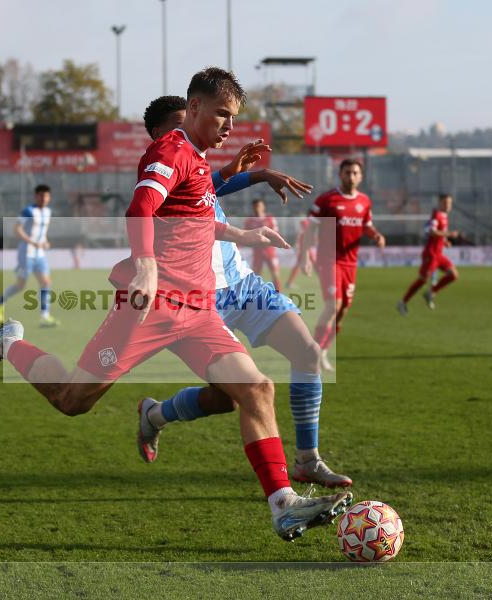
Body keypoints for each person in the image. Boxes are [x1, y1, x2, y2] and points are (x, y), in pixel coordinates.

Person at [0, 68, 351, 541]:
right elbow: (142, 207)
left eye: (233, 118)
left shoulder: (197, 158)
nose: (229, 127)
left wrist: (241, 233)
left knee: (257, 389)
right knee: (71, 401)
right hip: (148, 307)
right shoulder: (170, 150)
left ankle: (283, 504)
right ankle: (11, 345)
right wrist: (146, 265)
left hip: (197, 308)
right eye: (222, 116)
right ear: (193, 110)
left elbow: (192, 219)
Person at [135, 94, 352, 488]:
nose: (189, 133)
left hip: (242, 284)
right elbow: (150, 208)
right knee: (227, 399)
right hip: (199, 299)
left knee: (307, 352)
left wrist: (256, 174)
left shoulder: (194, 164)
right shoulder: (160, 168)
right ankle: (155, 414)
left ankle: (308, 460)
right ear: (158, 134)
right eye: (178, 126)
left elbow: (212, 186)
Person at [299, 160, 385, 372]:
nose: (351, 176)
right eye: (348, 172)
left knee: (343, 309)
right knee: (333, 305)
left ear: (361, 176)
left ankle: (325, 350)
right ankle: (312, 353)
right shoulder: (327, 200)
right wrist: (305, 256)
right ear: (341, 174)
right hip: (329, 259)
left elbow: (367, 225)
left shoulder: (364, 201)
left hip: (350, 262)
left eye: (355, 173)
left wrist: (376, 236)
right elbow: (310, 229)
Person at [0, 184, 58, 327]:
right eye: (41, 195)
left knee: (46, 282)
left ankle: (45, 317)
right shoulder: (28, 211)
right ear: (35, 196)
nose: (44, 198)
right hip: (26, 254)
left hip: (39, 254)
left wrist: (45, 242)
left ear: (49, 197)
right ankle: (0, 301)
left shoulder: (48, 211)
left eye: (46, 196)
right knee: (20, 285)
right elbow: (16, 229)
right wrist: (32, 242)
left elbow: (42, 232)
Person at [398, 194, 460, 314]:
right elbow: (432, 231)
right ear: (440, 203)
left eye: (450, 203)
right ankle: (403, 302)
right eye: (445, 203)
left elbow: (438, 234)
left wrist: (445, 241)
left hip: (439, 254)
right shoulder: (436, 215)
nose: (448, 205)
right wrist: (449, 235)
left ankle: (431, 292)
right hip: (431, 254)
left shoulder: (444, 216)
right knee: (423, 279)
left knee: (453, 275)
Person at [243, 199, 282, 291]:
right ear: (252, 207)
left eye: (259, 206)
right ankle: (254, 295)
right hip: (257, 252)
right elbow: (244, 235)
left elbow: (276, 233)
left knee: (275, 274)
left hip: (270, 251)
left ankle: (279, 295)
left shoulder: (269, 219)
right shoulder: (249, 221)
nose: (257, 208)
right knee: (256, 276)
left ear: (263, 207)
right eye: (255, 206)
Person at [284, 218, 315, 289]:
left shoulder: (303, 233)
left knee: (299, 267)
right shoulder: (304, 233)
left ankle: (289, 282)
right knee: (298, 267)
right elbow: (300, 243)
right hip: (304, 252)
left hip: (306, 251)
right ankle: (289, 283)